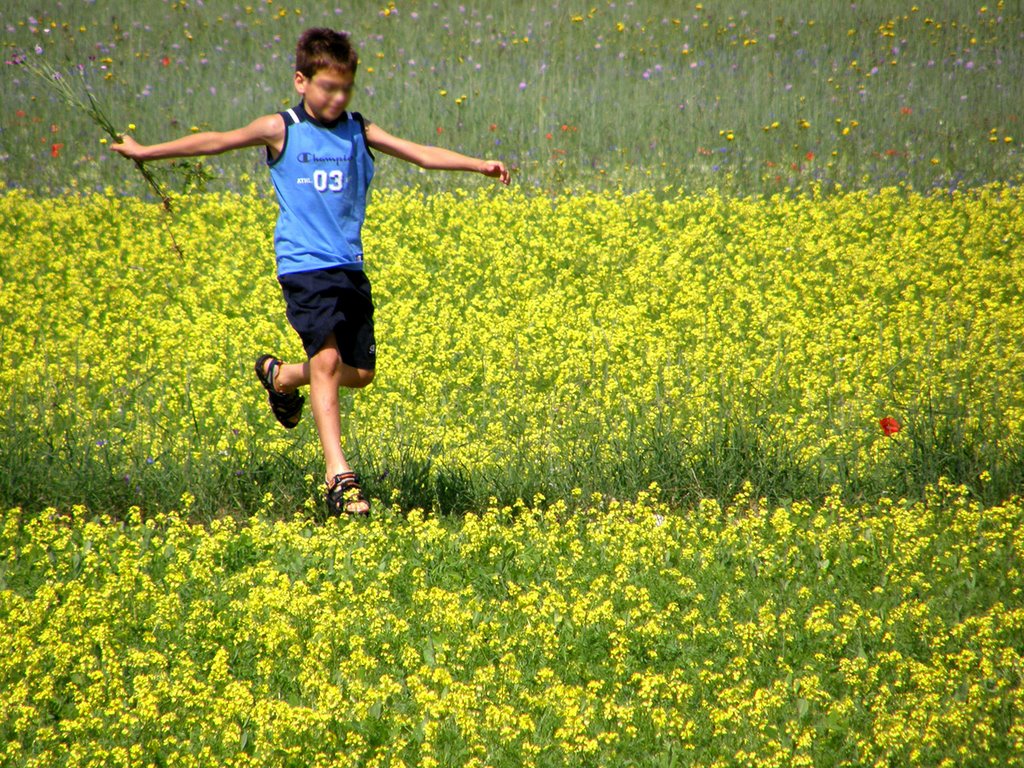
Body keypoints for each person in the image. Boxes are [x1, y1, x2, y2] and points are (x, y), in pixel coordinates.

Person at [112, 27, 510, 517]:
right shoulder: (282, 128)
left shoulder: (359, 130)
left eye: (346, 88)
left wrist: (479, 165)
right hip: (303, 266)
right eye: (328, 87)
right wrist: (145, 151)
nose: (338, 97)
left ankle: (280, 378)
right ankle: (339, 478)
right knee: (326, 362)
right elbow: (216, 141)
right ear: (301, 81)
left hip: (348, 266)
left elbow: (423, 155)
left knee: (359, 373)